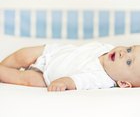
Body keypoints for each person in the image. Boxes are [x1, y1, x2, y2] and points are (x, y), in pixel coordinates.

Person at [0, 42, 140, 91]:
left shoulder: (101, 78)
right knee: (22, 55)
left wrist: (63, 83)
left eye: (129, 62)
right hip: (53, 52)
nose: (123, 53)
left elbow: (76, 82)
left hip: (46, 76)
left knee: (24, 79)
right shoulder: (108, 49)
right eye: (129, 49)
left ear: (123, 83)